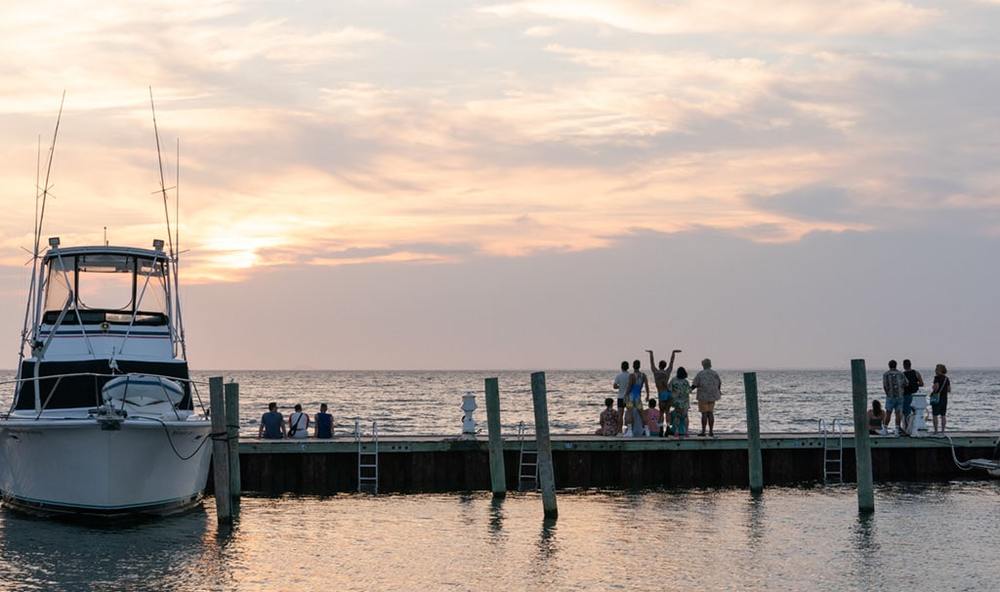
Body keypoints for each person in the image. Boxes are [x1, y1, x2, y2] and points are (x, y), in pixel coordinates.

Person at [647, 348, 681, 425]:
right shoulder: (667, 372)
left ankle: (661, 429)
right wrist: (673, 353)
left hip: (661, 393)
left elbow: (652, 363)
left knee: (661, 412)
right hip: (668, 393)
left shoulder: (656, 372)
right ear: (665, 366)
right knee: (667, 412)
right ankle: (668, 428)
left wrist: (651, 353)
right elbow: (671, 363)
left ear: (659, 365)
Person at [691, 358, 722, 437]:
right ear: (710, 365)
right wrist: (718, 391)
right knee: (710, 413)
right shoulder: (715, 373)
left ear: (703, 365)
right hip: (713, 396)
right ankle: (711, 431)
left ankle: (703, 431)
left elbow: (694, 384)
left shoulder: (700, 374)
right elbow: (719, 383)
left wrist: (688, 390)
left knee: (704, 413)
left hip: (703, 396)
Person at [882, 360, 909, 434]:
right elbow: (906, 383)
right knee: (898, 413)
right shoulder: (900, 374)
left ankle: (885, 429)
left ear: (889, 365)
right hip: (900, 396)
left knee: (888, 413)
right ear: (896, 365)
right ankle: (897, 430)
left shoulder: (886, 374)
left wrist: (887, 393)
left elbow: (885, 386)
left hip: (890, 396)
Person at [626, 359, 650, 437]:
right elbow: (646, 386)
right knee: (642, 413)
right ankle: (646, 430)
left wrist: (625, 395)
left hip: (631, 397)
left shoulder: (632, 375)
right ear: (639, 366)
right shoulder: (643, 375)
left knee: (629, 412)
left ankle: (630, 431)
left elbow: (629, 387)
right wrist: (647, 395)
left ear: (633, 366)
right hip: (638, 397)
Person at [901, 359, 924, 431]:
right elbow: (921, 383)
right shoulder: (916, 373)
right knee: (915, 412)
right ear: (910, 364)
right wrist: (915, 384)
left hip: (906, 395)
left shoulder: (902, 375)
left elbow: (901, 385)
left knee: (906, 413)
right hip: (915, 395)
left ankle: (906, 428)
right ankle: (915, 427)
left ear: (904, 366)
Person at [668, 367, 691, 437]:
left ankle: (676, 431)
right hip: (685, 401)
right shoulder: (686, 381)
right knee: (685, 416)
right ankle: (686, 432)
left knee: (677, 416)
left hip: (677, 401)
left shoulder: (673, 380)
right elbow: (689, 391)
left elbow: (669, 389)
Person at [930, 364, 951, 434]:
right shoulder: (946, 379)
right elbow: (949, 389)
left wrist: (933, 388)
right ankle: (943, 431)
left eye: (936, 369)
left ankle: (936, 431)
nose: (935, 370)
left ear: (939, 370)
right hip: (944, 398)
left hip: (937, 398)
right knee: (943, 415)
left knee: (935, 415)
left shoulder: (937, 378)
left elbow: (936, 387)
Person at [613, 361, 631, 428]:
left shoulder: (619, 375)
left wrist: (620, 386)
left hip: (620, 397)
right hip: (628, 398)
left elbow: (614, 386)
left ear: (621, 367)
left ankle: (620, 430)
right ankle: (629, 429)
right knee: (629, 413)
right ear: (628, 367)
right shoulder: (630, 375)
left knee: (620, 415)